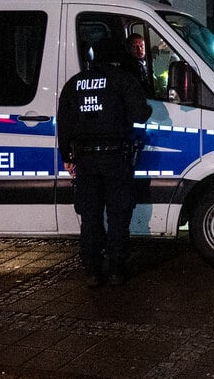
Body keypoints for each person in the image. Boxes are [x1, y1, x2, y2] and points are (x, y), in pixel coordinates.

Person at [58, 39, 152, 288]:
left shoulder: (74, 83)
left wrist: (66, 157)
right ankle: (116, 270)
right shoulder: (122, 80)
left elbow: (64, 124)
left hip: (85, 160)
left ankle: (91, 270)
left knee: (90, 216)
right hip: (115, 158)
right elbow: (140, 114)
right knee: (118, 214)